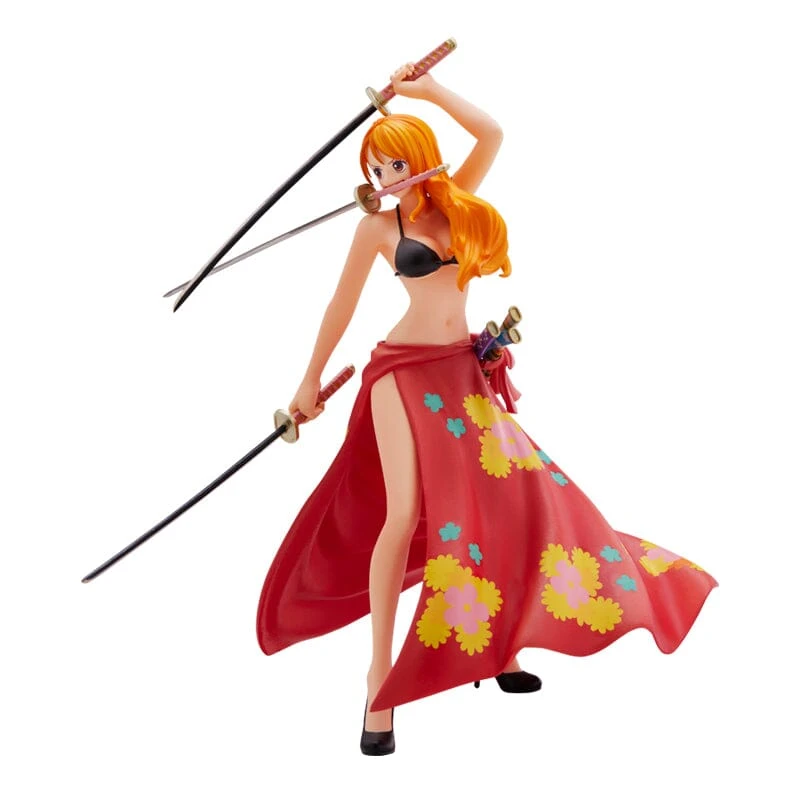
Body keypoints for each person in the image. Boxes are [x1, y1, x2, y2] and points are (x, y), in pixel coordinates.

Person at [256, 65, 718, 756]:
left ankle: (504, 642)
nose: (386, 178)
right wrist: (307, 381)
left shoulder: (456, 202)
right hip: (398, 375)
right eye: (376, 169)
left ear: (420, 160)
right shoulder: (378, 229)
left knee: (512, 500)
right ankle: (378, 681)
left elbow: (493, 132)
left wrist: (426, 90)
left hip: (460, 370)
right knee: (404, 513)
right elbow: (340, 307)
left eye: (396, 165)